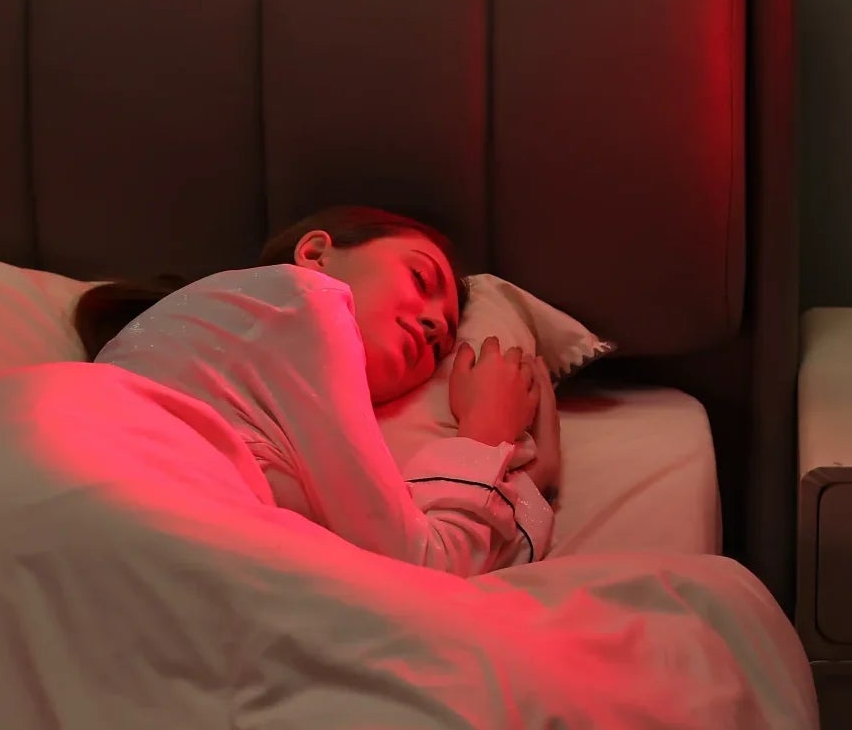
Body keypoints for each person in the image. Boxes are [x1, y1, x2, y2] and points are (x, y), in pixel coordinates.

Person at [77, 207, 560, 576]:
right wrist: (486, 434)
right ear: (314, 254)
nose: (434, 322)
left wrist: (530, 481)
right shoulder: (305, 302)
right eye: (420, 278)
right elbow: (421, 566)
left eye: (442, 348)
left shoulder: (274, 403)